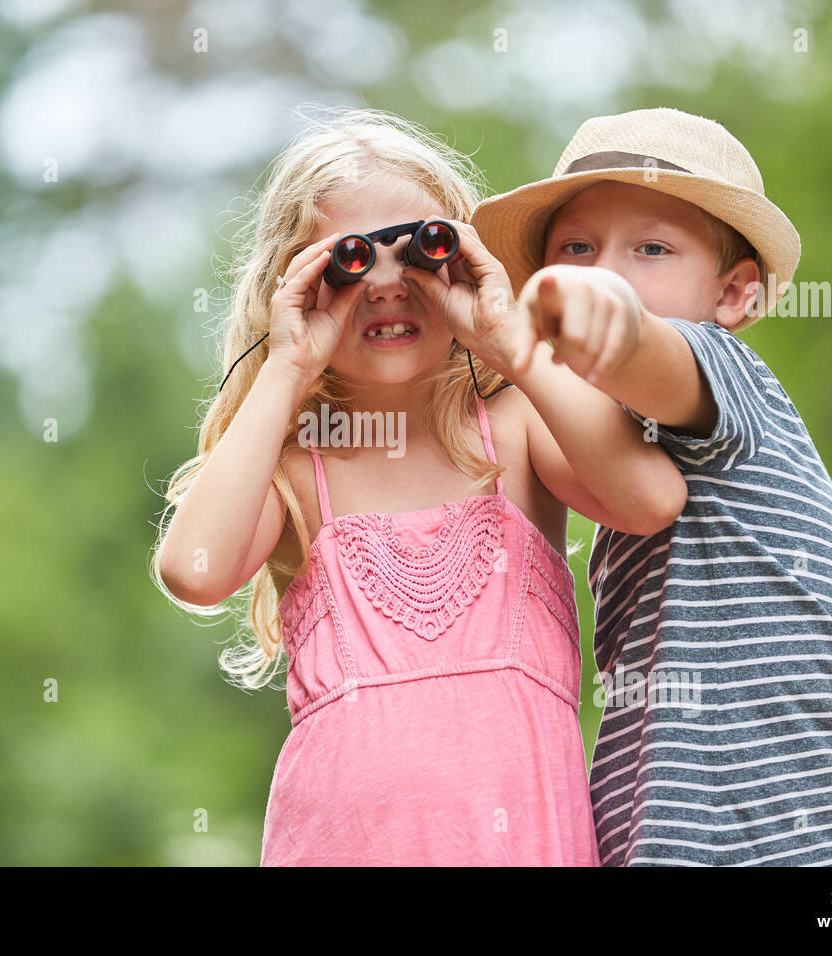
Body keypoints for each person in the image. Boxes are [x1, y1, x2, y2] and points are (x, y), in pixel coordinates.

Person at [154, 108, 685, 865]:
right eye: (347, 262)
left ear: (463, 259)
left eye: (420, 251)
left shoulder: (519, 425)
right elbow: (192, 570)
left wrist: (507, 338)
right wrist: (288, 366)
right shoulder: (298, 469)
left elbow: (650, 500)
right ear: (294, 287)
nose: (386, 285)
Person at [474, 107, 832, 865]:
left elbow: (644, 351)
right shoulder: (616, 447)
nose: (606, 273)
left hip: (787, 842)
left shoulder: (725, 373)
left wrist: (598, 320)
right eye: (577, 249)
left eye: (651, 248)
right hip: (665, 836)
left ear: (733, 297)